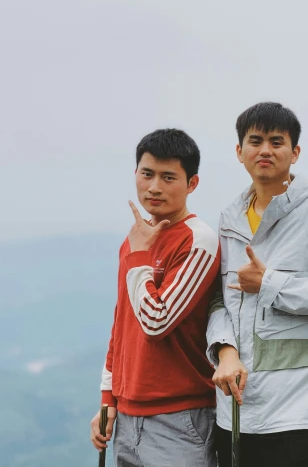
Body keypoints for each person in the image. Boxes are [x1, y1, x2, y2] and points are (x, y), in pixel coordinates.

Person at [206, 102, 308, 467]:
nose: (265, 150)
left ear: (295, 152)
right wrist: (225, 350)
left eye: (277, 142)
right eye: (255, 140)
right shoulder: (230, 218)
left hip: (299, 412)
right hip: (235, 412)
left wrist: (269, 283)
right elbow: (218, 299)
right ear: (239, 151)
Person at [90, 128, 221, 467]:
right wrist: (108, 400)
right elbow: (122, 325)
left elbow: (155, 321)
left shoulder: (198, 239)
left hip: (180, 420)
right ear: (136, 174)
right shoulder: (136, 240)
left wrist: (139, 258)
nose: (154, 187)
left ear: (192, 183)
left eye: (168, 177)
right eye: (147, 174)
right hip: (128, 417)